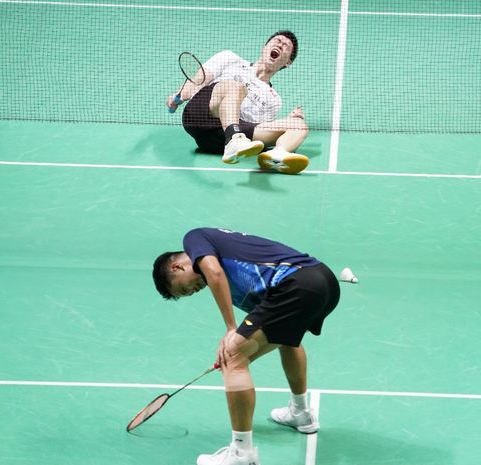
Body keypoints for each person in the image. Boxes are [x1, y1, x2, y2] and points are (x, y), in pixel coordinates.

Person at [152, 227, 340, 465]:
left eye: (183, 288)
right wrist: (241, 339)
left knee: (233, 358)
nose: (193, 291)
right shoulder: (241, 281)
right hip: (324, 282)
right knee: (287, 339)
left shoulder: (194, 238)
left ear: (176, 267)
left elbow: (215, 273)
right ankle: (301, 413)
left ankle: (241, 454)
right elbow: (266, 323)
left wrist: (231, 330)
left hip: (297, 283)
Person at [167, 31, 310, 175]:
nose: (280, 44)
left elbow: (257, 128)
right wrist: (180, 95)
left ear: (288, 62)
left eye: (285, 45)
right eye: (277, 40)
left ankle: (277, 155)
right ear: (264, 47)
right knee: (236, 87)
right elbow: (199, 79)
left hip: (217, 140)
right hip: (200, 115)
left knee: (299, 126)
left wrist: (290, 123)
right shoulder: (231, 59)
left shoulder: (274, 100)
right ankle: (234, 138)